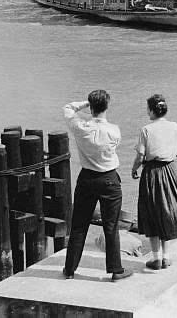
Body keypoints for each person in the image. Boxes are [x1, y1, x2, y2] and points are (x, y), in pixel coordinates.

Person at [63, 90, 132, 281]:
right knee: (111, 226)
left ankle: (70, 270)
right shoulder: (114, 130)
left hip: (86, 178)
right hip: (109, 179)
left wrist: (86, 104)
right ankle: (116, 270)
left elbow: (68, 108)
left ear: (91, 107)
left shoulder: (80, 127)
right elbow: (114, 143)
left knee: (78, 225)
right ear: (107, 106)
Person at [131, 94, 177, 269]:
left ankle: (156, 258)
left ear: (152, 110)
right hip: (170, 171)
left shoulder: (146, 129)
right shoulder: (175, 126)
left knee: (152, 213)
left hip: (152, 172)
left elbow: (141, 155)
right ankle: (166, 257)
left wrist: (134, 168)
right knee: (166, 212)